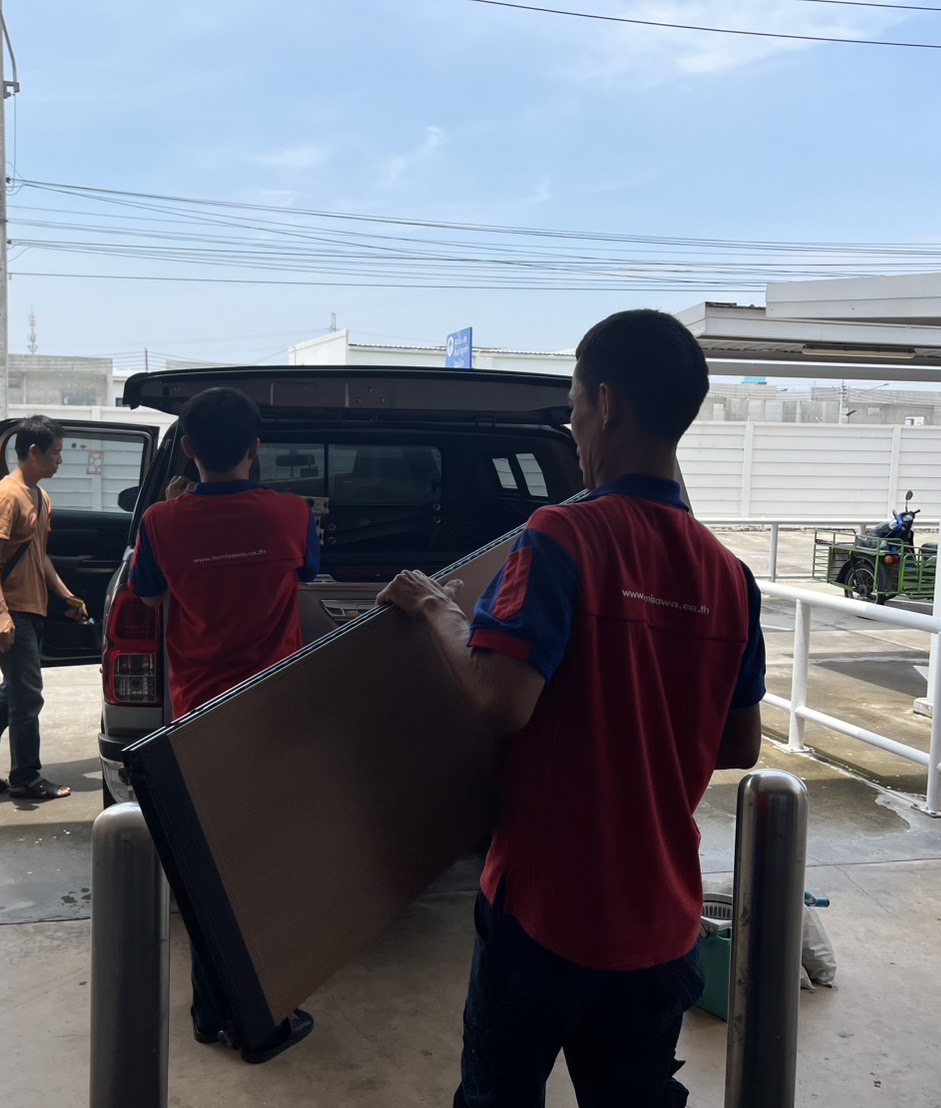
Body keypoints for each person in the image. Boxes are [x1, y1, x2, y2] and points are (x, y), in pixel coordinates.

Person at [378, 309, 766, 1108]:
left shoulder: (560, 536)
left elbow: (500, 700)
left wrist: (436, 609)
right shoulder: (729, 576)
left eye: (573, 409)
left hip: (544, 916)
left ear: (606, 404)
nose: (576, 427)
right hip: (660, 924)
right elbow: (740, 744)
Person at [129, 385, 321, 1065]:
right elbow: (310, 571)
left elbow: (149, 593)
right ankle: (256, 1021)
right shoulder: (292, 514)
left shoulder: (160, 523)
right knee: (264, 875)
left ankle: (211, 1011)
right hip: (271, 718)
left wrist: (173, 508)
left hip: (198, 724)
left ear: (186, 448)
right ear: (256, 449)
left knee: (210, 871)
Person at [0, 414, 90, 801]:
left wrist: (66, 597)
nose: (60, 460)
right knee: (28, 695)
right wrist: (1, 613)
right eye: (56, 453)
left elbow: (40, 557)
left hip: (32, 609)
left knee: (14, 690)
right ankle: (26, 778)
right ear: (33, 451)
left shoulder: (40, 497)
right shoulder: (7, 495)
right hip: (10, 612)